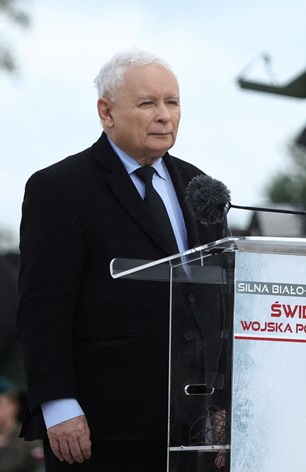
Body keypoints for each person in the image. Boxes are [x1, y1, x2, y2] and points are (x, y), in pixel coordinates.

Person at [16, 48, 224, 471]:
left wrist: (225, 403)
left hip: (192, 427)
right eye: (148, 103)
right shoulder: (60, 188)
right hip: (103, 429)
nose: (164, 115)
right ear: (106, 112)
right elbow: (43, 309)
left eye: (173, 102)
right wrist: (59, 405)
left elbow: (218, 302)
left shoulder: (200, 186)